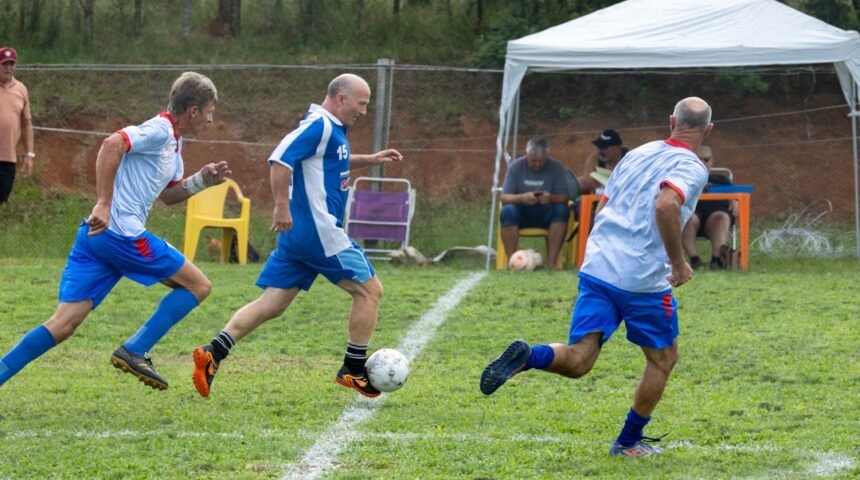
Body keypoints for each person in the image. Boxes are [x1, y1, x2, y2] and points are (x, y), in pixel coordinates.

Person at [481, 97, 713, 458]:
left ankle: (529, 357)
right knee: (664, 360)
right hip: (641, 279)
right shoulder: (692, 166)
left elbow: (606, 202)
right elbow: (667, 204)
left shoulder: (637, 153)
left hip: (599, 265)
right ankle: (627, 442)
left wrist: (598, 245)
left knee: (579, 360)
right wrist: (678, 263)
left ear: (671, 121)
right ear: (708, 130)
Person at [0, 72, 230, 391]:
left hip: (96, 238)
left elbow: (168, 195)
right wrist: (104, 203)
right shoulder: (160, 129)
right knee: (199, 285)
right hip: (123, 235)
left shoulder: (173, 146)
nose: (210, 119)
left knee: (63, 324)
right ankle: (135, 349)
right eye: (209, 111)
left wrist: (202, 180)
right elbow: (113, 144)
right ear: (193, 111)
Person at [192, 73, 404, 399]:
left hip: (301, 238)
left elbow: (330, 164)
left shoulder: (330, 130)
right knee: (370, 292)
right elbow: (280, 158)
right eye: (361, 104)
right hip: (318, 231)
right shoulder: (320, 125)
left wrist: (370, 160)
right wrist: (281, 207)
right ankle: (353, 367)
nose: (363, 111)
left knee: (272, 303)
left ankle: (213, 353)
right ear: (341, 98)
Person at [499, 137, 571, 270]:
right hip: (521, 213)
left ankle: (551, 262)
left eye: (541, 161)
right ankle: (512, 261)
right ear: (527, 155)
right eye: (533, 161)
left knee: (562, 210)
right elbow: (504, 197)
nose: (537, 164)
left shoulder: (556, 167)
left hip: (546, 212)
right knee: (507, 211)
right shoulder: (516, 166)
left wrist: (551, 198)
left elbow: (565, 197)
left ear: (547, 156)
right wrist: (522, 198)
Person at [682, 145, 737, 270]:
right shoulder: (685, 179)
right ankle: (694, 260)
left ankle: (716, 260)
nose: (702, 163)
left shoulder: (721, 179)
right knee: (687, 217)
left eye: (706, 160)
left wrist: (734, 201)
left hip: (716, 214)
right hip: (693, 214)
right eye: (698, 159)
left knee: (721, 217)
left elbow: (734, 195)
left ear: (712, 161)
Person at [0, 46, 35, 206]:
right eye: (4, 64)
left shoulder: (21, 89)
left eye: (11, 64)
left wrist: (29, 154)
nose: (8, 68)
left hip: (7, 159)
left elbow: (27, 123)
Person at [577, 128, 628, 195]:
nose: (599, 151)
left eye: (603, 148)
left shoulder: (630, 158)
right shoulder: (595, 159)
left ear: (616, 148)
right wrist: (589, 184)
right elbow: (586, 182)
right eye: (598, 147)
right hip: (599, 199)